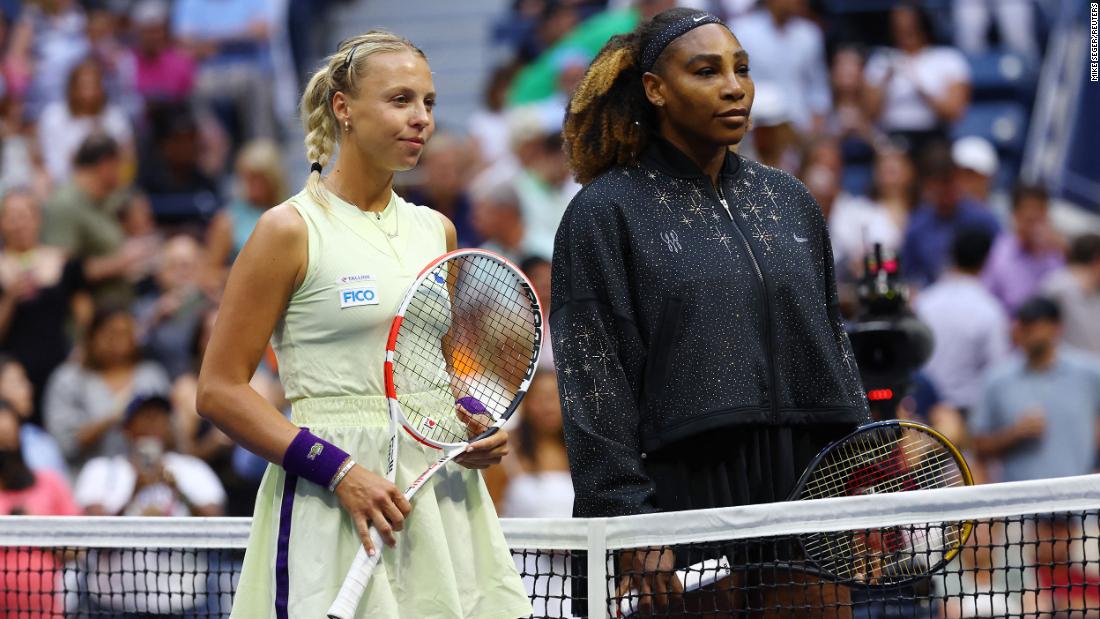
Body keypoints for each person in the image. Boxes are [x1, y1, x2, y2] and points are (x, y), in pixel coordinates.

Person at [195, 32, 531, 618]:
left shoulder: (438, 231)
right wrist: (341, 472)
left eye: (427, 102)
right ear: (343, 108)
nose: (421, 118)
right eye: (401, 100)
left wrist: (466, 423)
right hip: (334, 491)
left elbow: (428, 367)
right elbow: (218, 392)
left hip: (438, 491)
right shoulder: (289, 229)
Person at [552, 8, 867, 616]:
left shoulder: (790, 201)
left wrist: (857, 480)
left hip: (805, 498)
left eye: (741, 70)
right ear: (655, 89)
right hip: (678, 504)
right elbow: (594, 386)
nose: (733, 86)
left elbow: (834, 344)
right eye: (706, 71)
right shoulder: (604, 212)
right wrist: (629, 524)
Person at [970, 296, 1100, 484]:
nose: (1029, 334)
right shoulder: (997, 379)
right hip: (1020, 506)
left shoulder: (1089, 373)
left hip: (1079, 503)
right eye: (1025, 327)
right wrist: (1014, 434)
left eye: (1036, 327)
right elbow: (978, 446)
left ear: (1056, 328)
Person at [43, 306, 170, 470]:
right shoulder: (69, 379)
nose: (118, 341)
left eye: (125, 333)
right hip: (87, 478)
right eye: (111, 333)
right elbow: (65, 444)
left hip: (148, 474)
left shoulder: (151, 375)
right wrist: (116, 417)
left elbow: (172, 435)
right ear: (92, 336)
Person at [74, 393, 225, 516]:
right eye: (145, 416)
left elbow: (214, 520)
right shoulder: (100, 469)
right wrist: (134, 493)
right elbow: (96, 533)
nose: (153, 422)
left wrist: (178, 491)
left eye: (160, 416)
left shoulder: (193, 467)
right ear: (126, 427)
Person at [914, 228, 1009, 416]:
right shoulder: (989, 310)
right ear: (985, 260)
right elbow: (998, 369)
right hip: (963, 414)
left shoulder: (924, 301)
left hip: (921, 412)